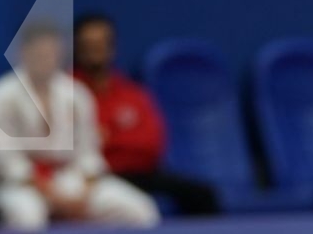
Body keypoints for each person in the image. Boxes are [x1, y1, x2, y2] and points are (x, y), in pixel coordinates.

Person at [0, 24, 162, 230]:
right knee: (27, 214)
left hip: (69, 180)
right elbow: (5, 162)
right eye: (39, 51)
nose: (46, 57)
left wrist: (85, 190)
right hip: (18, 186)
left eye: (52, 51)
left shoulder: (76, 94)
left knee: (139, 209)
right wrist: (52, 194)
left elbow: (88, 153)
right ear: (22, 51)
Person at [72, 13, 219, 215]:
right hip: (98, 175)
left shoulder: (132, 94)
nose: (94, 51)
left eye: (100, 44)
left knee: (202, 194)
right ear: (77, 48)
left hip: (141, 173)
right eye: (88, 45)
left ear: (112, 46)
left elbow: (151, 144)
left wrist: (108, 139)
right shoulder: (67, 93)